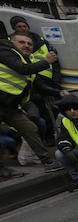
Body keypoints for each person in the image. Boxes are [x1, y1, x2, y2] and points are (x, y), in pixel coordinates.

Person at [0, 31, 61, 171]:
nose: (26, 45)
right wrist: (46, 62)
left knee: (31, 129)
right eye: (21, 42)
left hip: (11, 107)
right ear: (12, 42)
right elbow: (22, 69)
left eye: (29, 44)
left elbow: (39, 85)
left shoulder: (27, 62)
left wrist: (59, 92)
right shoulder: (4, 50)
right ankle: (2, 169)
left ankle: (48, 163)